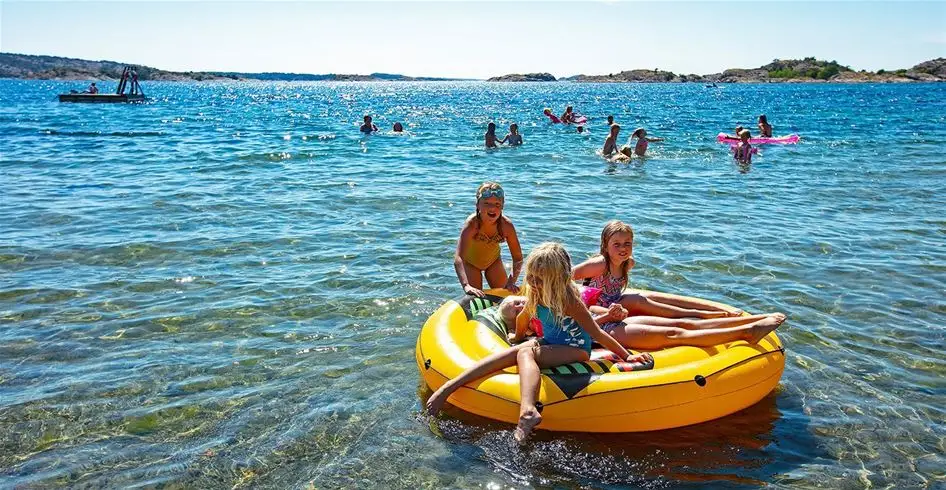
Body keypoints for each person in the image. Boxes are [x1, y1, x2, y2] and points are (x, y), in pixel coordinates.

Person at [429, 242, 647, 442]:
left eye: (540, 279)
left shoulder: (570, 301)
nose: (533, 282)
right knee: (509, 354)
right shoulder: (536, 293)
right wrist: (517, 338)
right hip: (550, 341)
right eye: (531, 276)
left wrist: (627, 356)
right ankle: (449, 387)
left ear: (557, 279)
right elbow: (523, 317)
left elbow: (597, 334)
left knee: (525, 354)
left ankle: (528, 411)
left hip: (575, 348)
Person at [573, 220, 739, 319]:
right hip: (595, 308)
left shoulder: (628, 263)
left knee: (653, 297)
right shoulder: (600, 264)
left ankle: (716, 309)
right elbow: (565, 276)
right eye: (617, 244)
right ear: (605, 246)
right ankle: (698, 315)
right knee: (638, 300)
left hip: (614, 302)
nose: (623, 248)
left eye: (627, 243)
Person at [454, 182, 523, 297]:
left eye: (497, 204)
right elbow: (458, 257)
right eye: (486, 203)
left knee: (504, 296)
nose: (492, 208)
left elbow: (518, 258)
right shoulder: (472, 224)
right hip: (471, 264)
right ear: (477, 205)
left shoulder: (506, 225)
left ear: (502, 206)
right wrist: (466, 285)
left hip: (493, 262)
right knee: (475, 297)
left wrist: (512, 281)